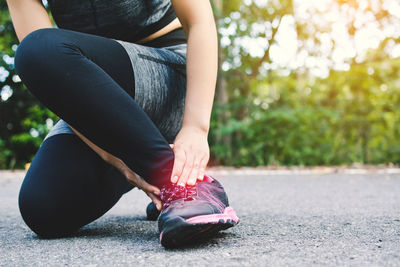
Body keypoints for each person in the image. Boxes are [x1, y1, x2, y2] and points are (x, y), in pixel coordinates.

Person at [6, 0, 239, 247]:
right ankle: (165, 180)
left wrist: (195, 128)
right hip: (96, 92)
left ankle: (189, 189)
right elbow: (55, 83)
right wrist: (117, 158)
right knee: (44, 207)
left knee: (40, 48)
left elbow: (199, 21)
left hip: (170, 71)